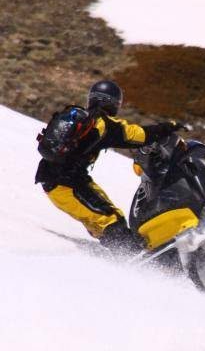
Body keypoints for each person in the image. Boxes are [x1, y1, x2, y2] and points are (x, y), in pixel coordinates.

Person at [35, 80, 182, 252]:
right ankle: (129, 255)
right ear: (113, 103)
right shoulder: (105, 124)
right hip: (65, 184)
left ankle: (117, 252)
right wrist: (169, 127)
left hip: (64, 180)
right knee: (110, 219)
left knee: (102, 219)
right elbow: (141, 135)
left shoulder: (86, 120)